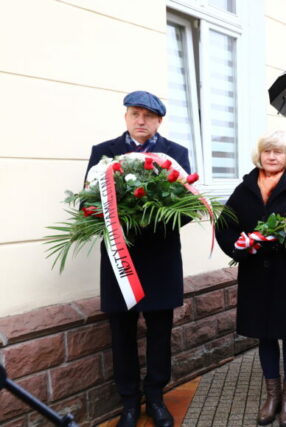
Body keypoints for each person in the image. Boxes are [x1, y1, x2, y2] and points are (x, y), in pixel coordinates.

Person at [85, 91, 190, 427]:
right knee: (122, 333)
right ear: (126, 117)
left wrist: (151, 218)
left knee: (160, 332)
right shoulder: (104, 153)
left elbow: (187, 207)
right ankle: (129, 402)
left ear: (159, 120)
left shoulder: (176, 154)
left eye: (148, 115)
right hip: (120, 259)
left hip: (160, 258)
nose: (140, 120)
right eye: (134, 114)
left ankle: (156, 398)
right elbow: (88, 203)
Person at [215, 131, 286, 427]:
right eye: (267, 151)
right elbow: (225, 226)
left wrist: (282, 240)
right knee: (264, 336)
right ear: (260, 154)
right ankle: (272, 396)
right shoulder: (245, 188)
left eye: (278, 151)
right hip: (257, 277)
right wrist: (239, 245)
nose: (272, 156)